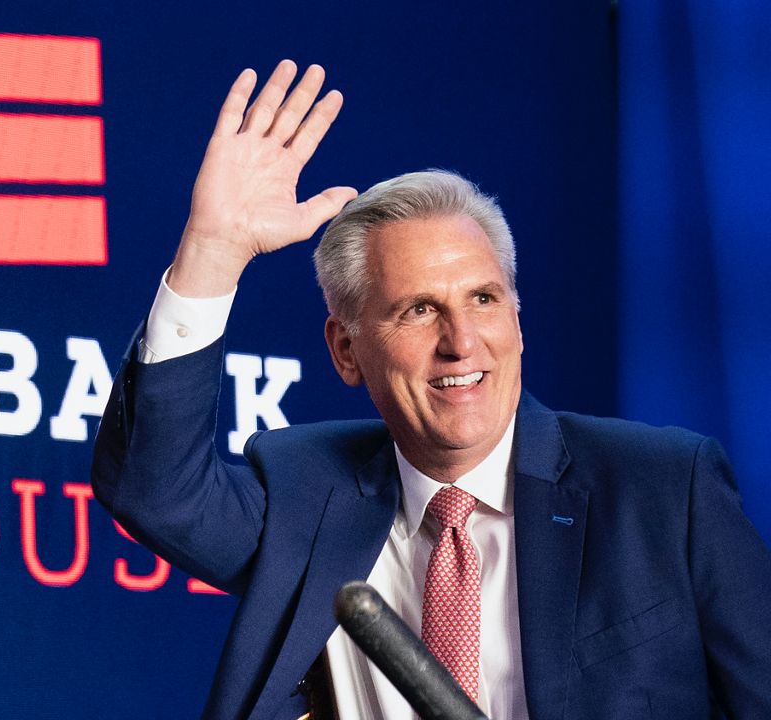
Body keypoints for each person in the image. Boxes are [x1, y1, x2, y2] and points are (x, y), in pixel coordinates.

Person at [91, 60, 771, 720]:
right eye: (418, 310)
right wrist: (213, 249)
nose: (461, 341)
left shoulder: (663, 490)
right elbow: (158, 495)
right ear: (346, 350)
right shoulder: (307, 498)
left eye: (482, 299)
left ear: (518, 318)